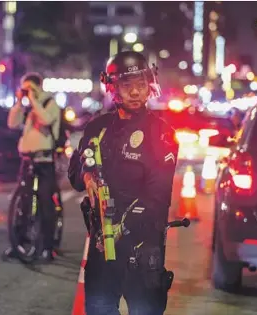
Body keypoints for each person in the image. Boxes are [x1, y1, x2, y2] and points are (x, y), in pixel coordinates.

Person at [68, 51, 179, 315]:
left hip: (142, 247)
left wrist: (121, 228)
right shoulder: (97, 128)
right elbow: (74, 173)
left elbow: (158, 195)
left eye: (141, 85)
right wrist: (86, 175)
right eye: (127, 86)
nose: (135, 93)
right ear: (113, 88)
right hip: (101, 245)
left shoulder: (162, 133)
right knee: (98, 308)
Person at [4, 72, 62, 262]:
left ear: (39, 87)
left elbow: (46, 120)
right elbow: (12, 123)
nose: (27, 92)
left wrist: (34, 100)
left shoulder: (49, 104)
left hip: (45, 160)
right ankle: (19, 242)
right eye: (24, 88)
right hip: (27, 159)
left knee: (46, 203)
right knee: (23, 203)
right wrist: (20, 102)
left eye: (30, 88)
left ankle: (47, 246)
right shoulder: (28, 107)